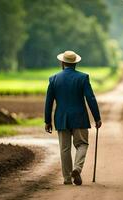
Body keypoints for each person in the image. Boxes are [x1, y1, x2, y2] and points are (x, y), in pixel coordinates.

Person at [44, 50, 102, 185]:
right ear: (75, 64)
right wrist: (97, 117)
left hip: (61, 118)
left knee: (64, 149)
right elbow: (91, 99)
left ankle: (67, 178)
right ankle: (77, 168)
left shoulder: (54, 79)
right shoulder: (83, 78)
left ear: (62, 63)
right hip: (79, 118)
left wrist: (47, 121)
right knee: (82, 144)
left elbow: (49, 102)